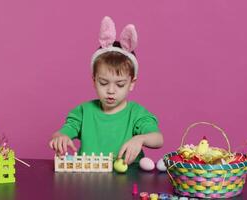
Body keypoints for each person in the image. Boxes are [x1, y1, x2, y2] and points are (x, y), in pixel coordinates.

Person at [49, 16, 163, 164]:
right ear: (94, 81)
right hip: (89, 180)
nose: (111, 90)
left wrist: (140, 138)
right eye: (103, 83)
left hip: (127, 181)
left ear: (132, 83)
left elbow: (158, 139)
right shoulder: (84, 112)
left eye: (120, 84)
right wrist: (60, 137)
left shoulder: (136, 114)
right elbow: (62, 132)